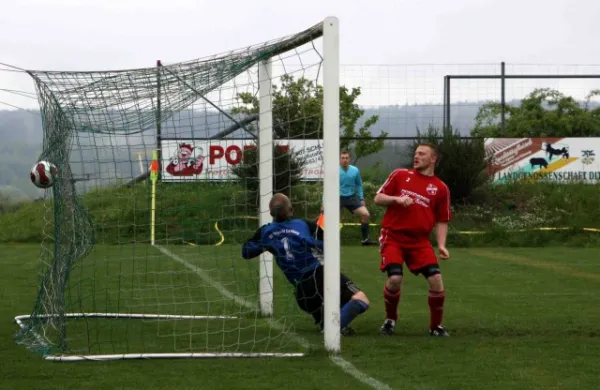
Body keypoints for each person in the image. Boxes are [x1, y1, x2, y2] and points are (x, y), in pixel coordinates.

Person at [241, 193, 370, 335]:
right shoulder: (303, 224)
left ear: (271, 212)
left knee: (326, 309)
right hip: (318, 276)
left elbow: (246, 252)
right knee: (360, 300)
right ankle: (332, 328)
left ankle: (328, 323)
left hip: (301, 293)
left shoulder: (265, 231)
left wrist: (266, 245)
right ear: (291, 209)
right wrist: (314, 242)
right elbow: (330, 244)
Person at [374, 143, 451, 337]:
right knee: (395, 278)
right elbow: (378, 198)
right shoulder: (400, 175)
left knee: (436, 280)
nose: (416, 157)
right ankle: (390, 320)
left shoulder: (441, 188)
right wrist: (397, 199)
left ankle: (436, 327)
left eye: (422, 154)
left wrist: (441, 245)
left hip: (420, 242)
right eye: (416, 153)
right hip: (393, 237)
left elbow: (442, 220)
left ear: (433, 159)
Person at [339, 151, 377, 246]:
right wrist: (324, 203)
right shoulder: (335, 170)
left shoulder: (355, 170)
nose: (345, 160)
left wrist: (361, 198)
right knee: (332, 219)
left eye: (347, 158)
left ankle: (365, 240)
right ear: (340, 160)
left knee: (365, 214)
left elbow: (359, 185)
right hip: (337, 198)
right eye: (343, 158)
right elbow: (328, 186)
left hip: (351, 197)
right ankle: (330, 241)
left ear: (349, 159)